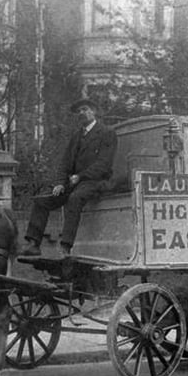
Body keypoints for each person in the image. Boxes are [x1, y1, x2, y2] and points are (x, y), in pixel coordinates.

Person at [20, 98, 118, 257]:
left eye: (85, 109)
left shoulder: (107, 133)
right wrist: (59, 183)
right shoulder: (77, 136)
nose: (82, 113)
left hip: (96, 181)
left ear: (94, 111)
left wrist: (80, 176)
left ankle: (65, 247)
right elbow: (65, 163)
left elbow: (104, 164)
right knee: (42, 199)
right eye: (79, 111)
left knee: (74, 198)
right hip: (74, 182)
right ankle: (33, 243)